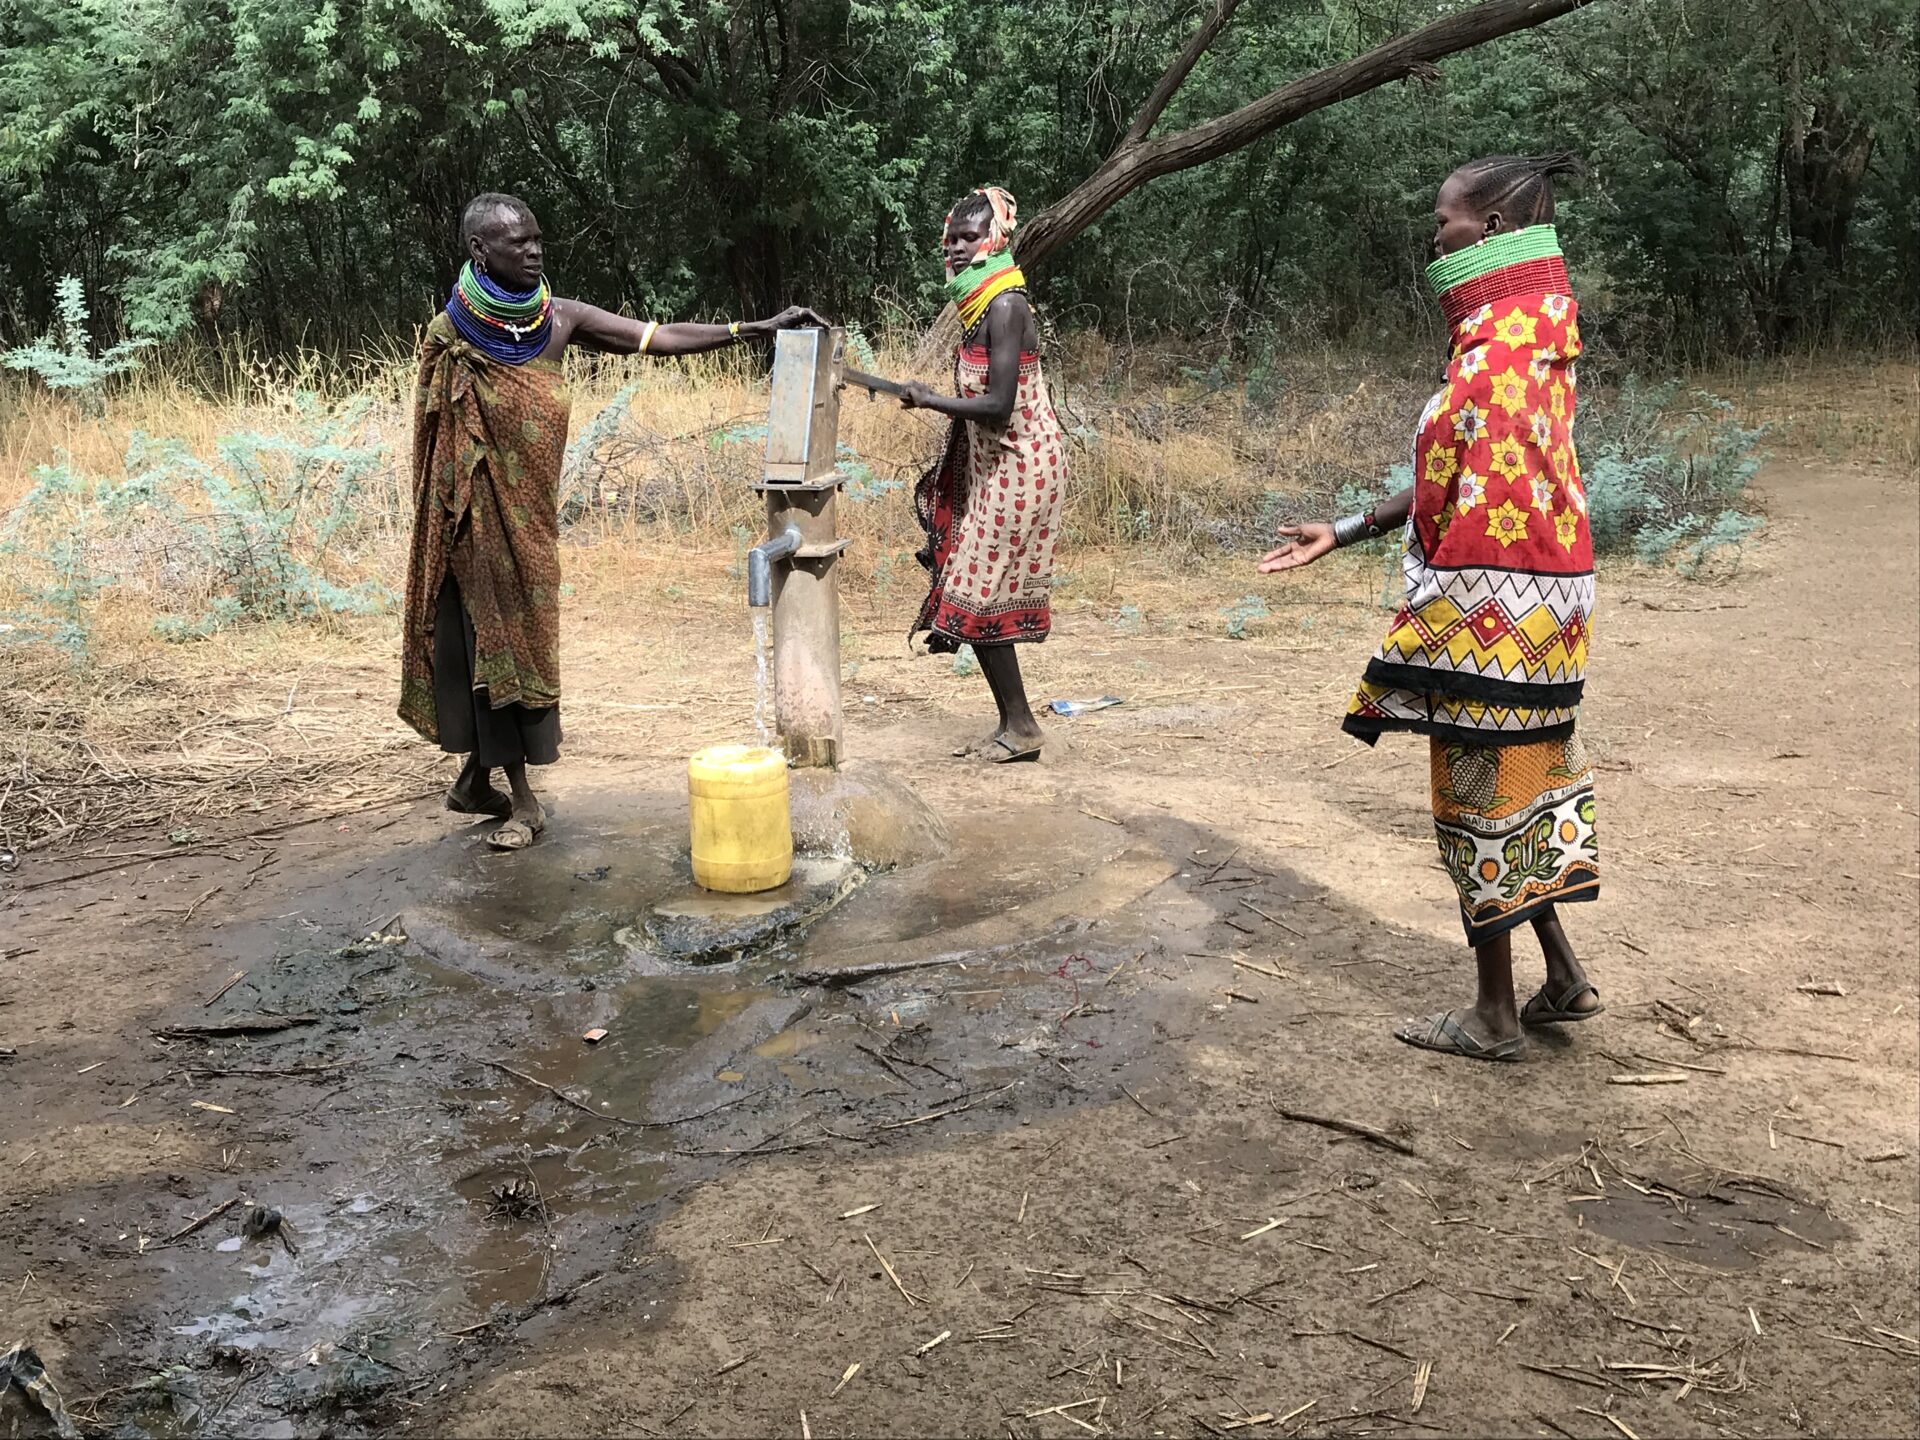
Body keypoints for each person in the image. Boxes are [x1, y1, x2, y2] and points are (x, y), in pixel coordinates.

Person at [1259, 154, 1600, 1061]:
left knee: (1477, 795)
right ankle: (1560, 975)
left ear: (1490, 230)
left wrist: (1439, 613)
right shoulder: (1532, 328)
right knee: (1523, 779)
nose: (1433, 233)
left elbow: (1476, 486)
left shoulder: (1498, 347)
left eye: (1444, 219)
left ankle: (1493, 1015)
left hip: (1493, 592)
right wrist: (1348, 526)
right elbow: (1467, 468)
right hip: (1544, 593)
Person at [398, 192, 825, 849]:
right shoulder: (450, 338)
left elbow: (657, 339)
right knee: (489, 649)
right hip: (471, 524)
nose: (535, 250)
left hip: (531, 525)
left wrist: (756, 328)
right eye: (518, 242)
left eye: (538, 238)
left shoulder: (559, 320)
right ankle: (525, 802)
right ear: (479, 250)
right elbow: (433, 446)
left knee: (519, 647)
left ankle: (472, 782)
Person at [899, 186, 1067, 763]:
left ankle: (1020, 727)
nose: (956, 249)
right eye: (950, 240)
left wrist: (931, 401)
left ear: (995, 240)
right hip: (995, 465)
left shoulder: (1004, 308)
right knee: (975, 592)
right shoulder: (975, 306)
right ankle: (1016, 725)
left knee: (972, 591)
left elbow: (998, 404)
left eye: (969, 238)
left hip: (1025, 465)